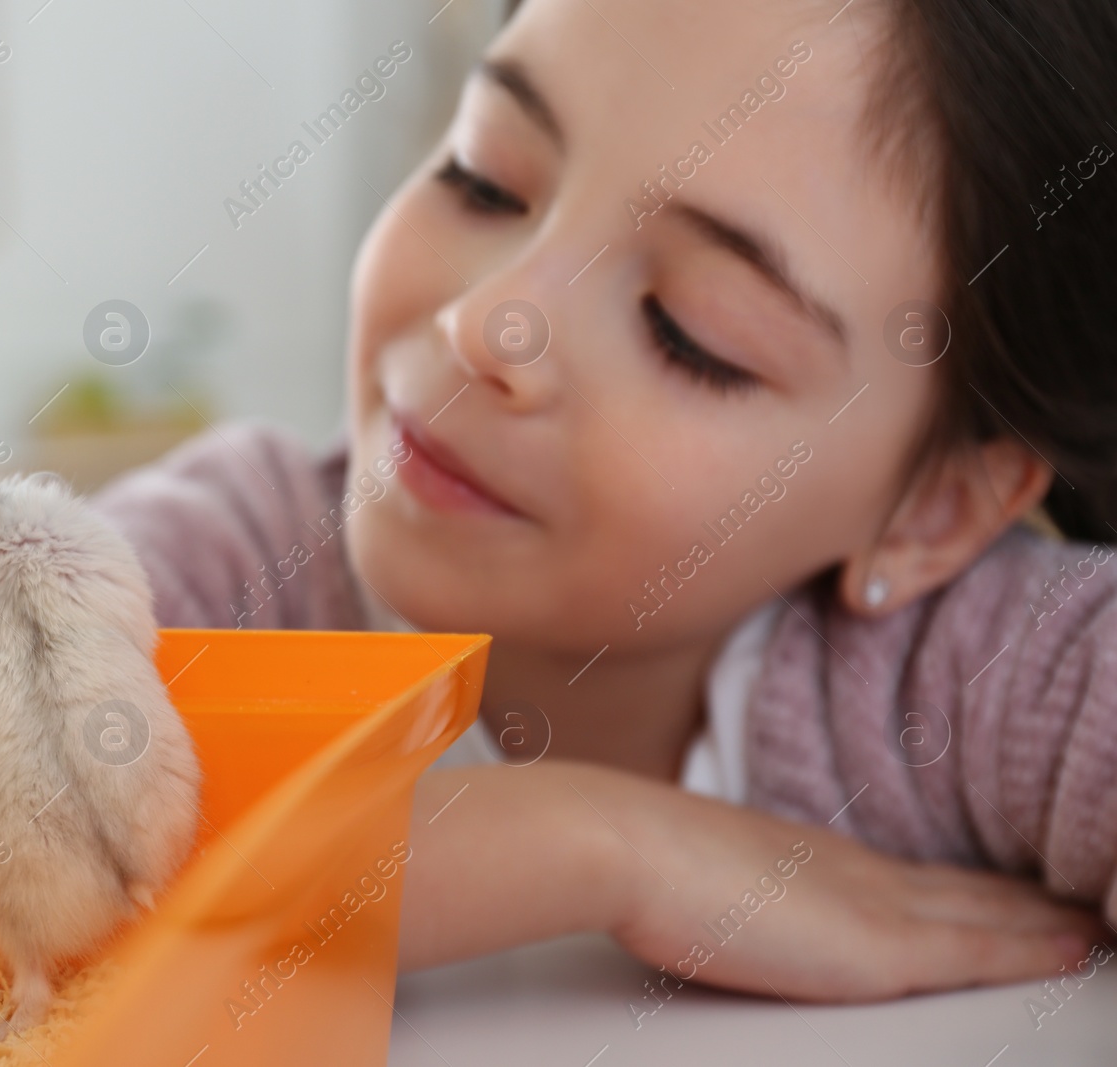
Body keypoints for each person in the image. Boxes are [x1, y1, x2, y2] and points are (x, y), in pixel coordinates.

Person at [90, 0, 1117, 1001]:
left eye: (685, 330)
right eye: (484, 179)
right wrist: (600, 843)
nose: (487, 322)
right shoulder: (227, 554)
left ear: (930, 511)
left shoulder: (974, 671)